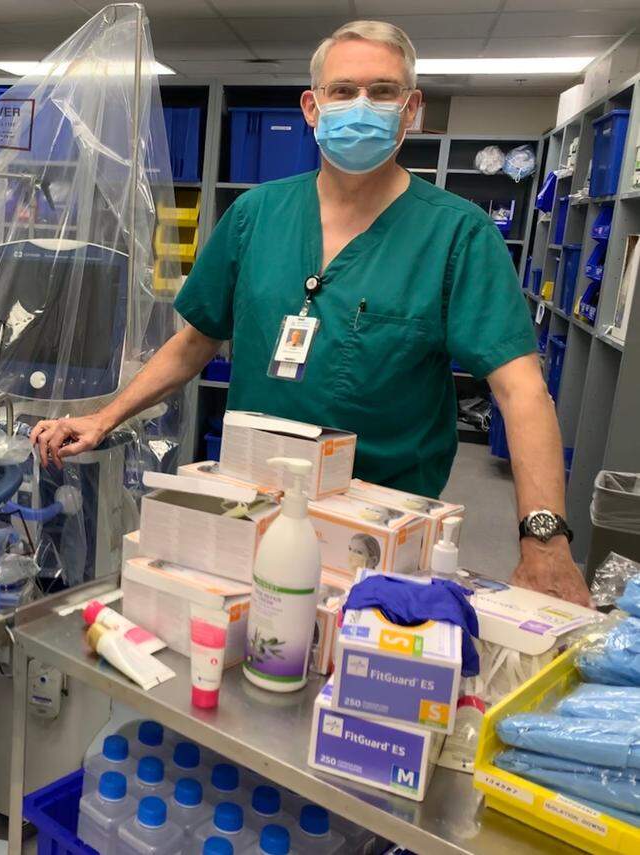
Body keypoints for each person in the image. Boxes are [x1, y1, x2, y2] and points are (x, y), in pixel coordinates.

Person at [30, 20, 590, 605]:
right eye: (343, 91)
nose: (362, 106)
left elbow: (521, 388)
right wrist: (104, 417)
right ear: (312, 106)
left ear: (412, 108)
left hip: (379, 527)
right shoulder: (254, 215)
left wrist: (545, 542)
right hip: (253, 501)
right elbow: (194, 342)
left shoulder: (456, 233)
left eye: (383, 91)